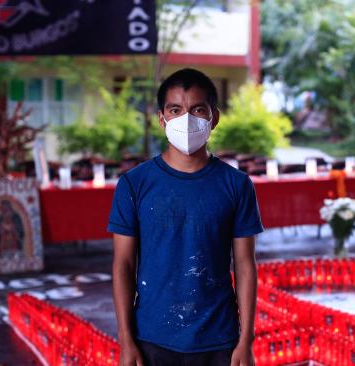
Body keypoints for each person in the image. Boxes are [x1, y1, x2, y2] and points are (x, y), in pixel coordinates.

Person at [108, 68, 264, 366]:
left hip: (220, 339)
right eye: (176, 110)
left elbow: (245, 265)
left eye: (197, 109)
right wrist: (126, 340)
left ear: (213, 118)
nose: (186, 119)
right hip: (152, 338)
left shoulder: (236, 185)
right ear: (161, 119)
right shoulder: (134, 185)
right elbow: (123, 265)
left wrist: (246, 341)